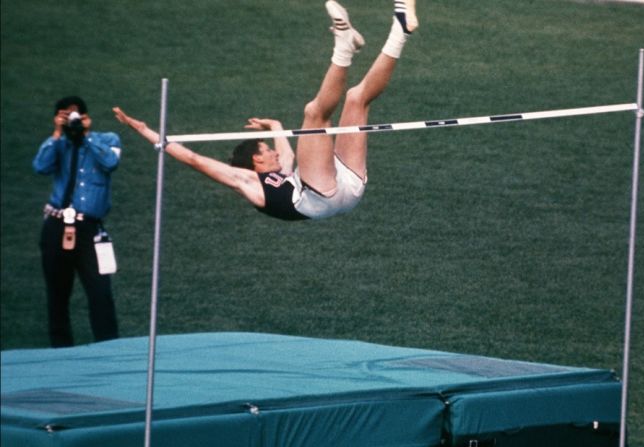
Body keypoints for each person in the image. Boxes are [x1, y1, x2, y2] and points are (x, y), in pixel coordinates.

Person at [113, 0, 419, 221]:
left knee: (357, 99)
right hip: (319, 195)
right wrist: (148, 132)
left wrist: (274, 125)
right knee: (314, 114)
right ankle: (343, 46)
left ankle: (400, 29)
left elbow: (286, 151)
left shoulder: (283, 172)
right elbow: (194, 159)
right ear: (256, 160)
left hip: (344, 189)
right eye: (267, 151)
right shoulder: (249, 184)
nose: (273, 153)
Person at [33, 96, 122, 347]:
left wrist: (86, 135)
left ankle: (109, 349)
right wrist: (58, 132)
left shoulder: (107, 140)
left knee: (100, 292)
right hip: (56, 225)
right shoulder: (58, 144)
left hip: (90, 229)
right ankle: (61, 351)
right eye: (66, 115)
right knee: (57, 294)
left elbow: (111, 162)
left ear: (86, 116)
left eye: (76, 115)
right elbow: (40, 166)